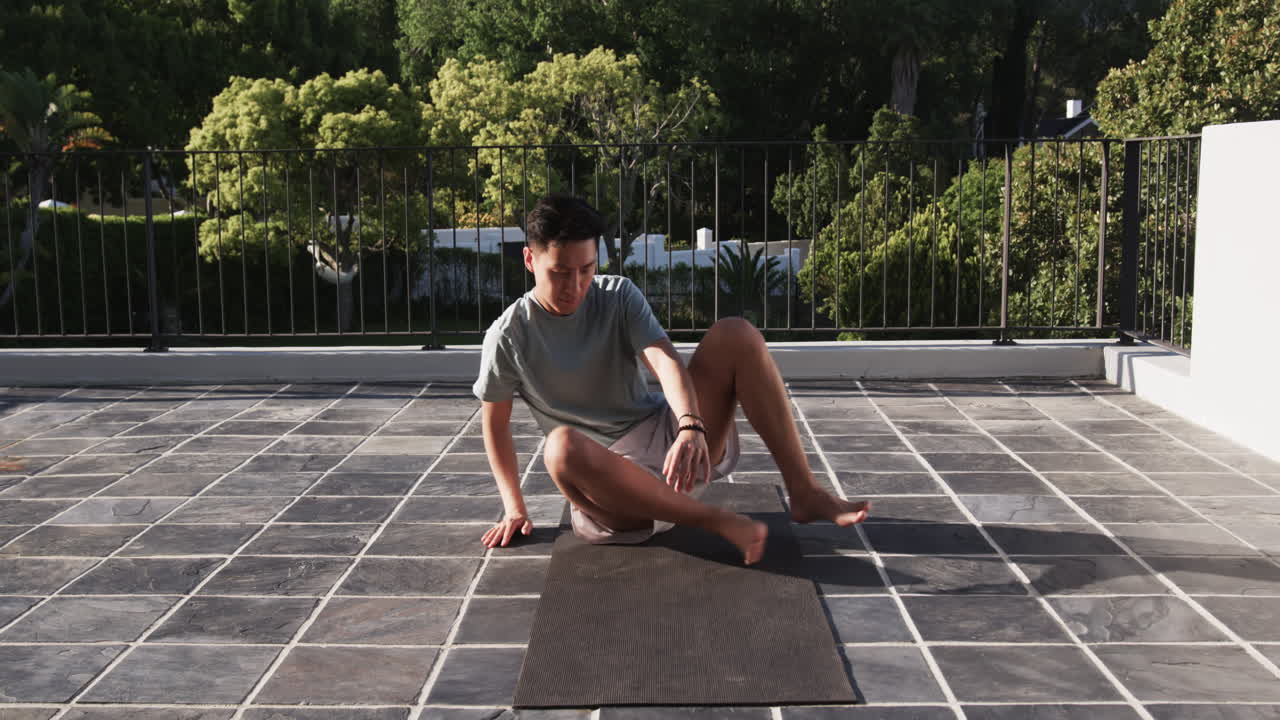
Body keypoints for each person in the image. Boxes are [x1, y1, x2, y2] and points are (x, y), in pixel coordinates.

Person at [473, 194, 871, 565]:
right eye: (560, 273)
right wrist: (514, 508)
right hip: (609, 486)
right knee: (558, 448)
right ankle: (713, 520)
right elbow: (495, 426)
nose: (575, 285)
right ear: (529, 260)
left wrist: (689, 425)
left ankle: (804, 490)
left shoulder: (618, 296)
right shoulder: (509, 336)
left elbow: (663, 360)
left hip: (673, 452)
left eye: (587, 269)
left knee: (736, 334)